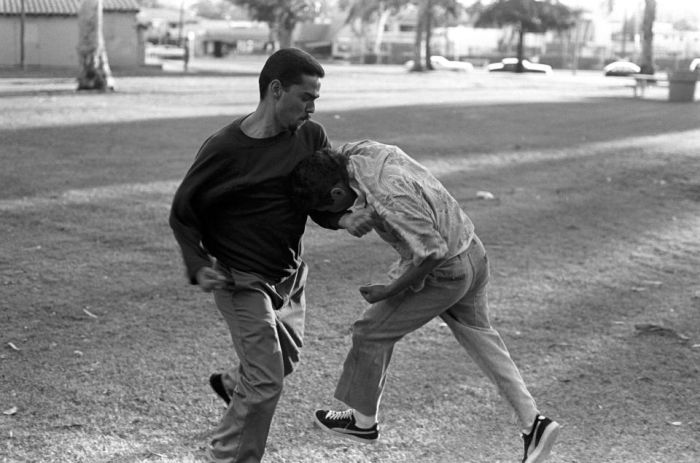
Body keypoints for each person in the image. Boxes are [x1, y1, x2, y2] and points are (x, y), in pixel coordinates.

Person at [289, 140, 561, 463]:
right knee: (482, 340)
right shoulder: (356, 153)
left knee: (370, 330)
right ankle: (535, 424)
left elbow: (433, 253)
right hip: (472, 249)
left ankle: (362, 421)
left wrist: (388, 291)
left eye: (335, 210)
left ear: (336, 194)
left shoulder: (388, 194)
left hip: (446, 270)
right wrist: (345, 220)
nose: (339, 216)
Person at [169, 49, 373, 463]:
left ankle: (232, 385)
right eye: (306, 97)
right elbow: (183, 212)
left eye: (316, 98)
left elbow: (318, 198)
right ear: (276, 90)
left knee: (284, 362)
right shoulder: (225, 148)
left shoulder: (311, 136)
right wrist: (198, 264)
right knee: (265, 383)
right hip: (240, 280)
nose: (312, 107)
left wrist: (342, 220)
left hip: (289, 277)